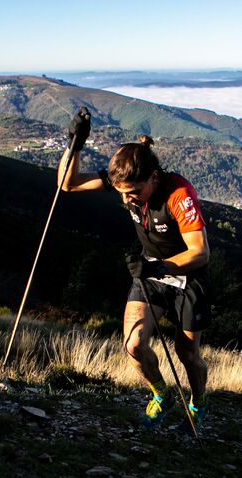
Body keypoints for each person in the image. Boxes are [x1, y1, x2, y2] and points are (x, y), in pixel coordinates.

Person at [57, 107, 211, 429]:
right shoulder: (125, 183)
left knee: (187, 353)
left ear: (153, 178)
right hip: (149, 272)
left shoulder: (179, 194)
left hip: (187, 276)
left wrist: (160, 268)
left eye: (135, 193)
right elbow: (67, 185)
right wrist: (75, 145)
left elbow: (200, 252)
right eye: (122, 194)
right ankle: (161, 395)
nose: (128, 200)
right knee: (134, 345)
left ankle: (198, 402)